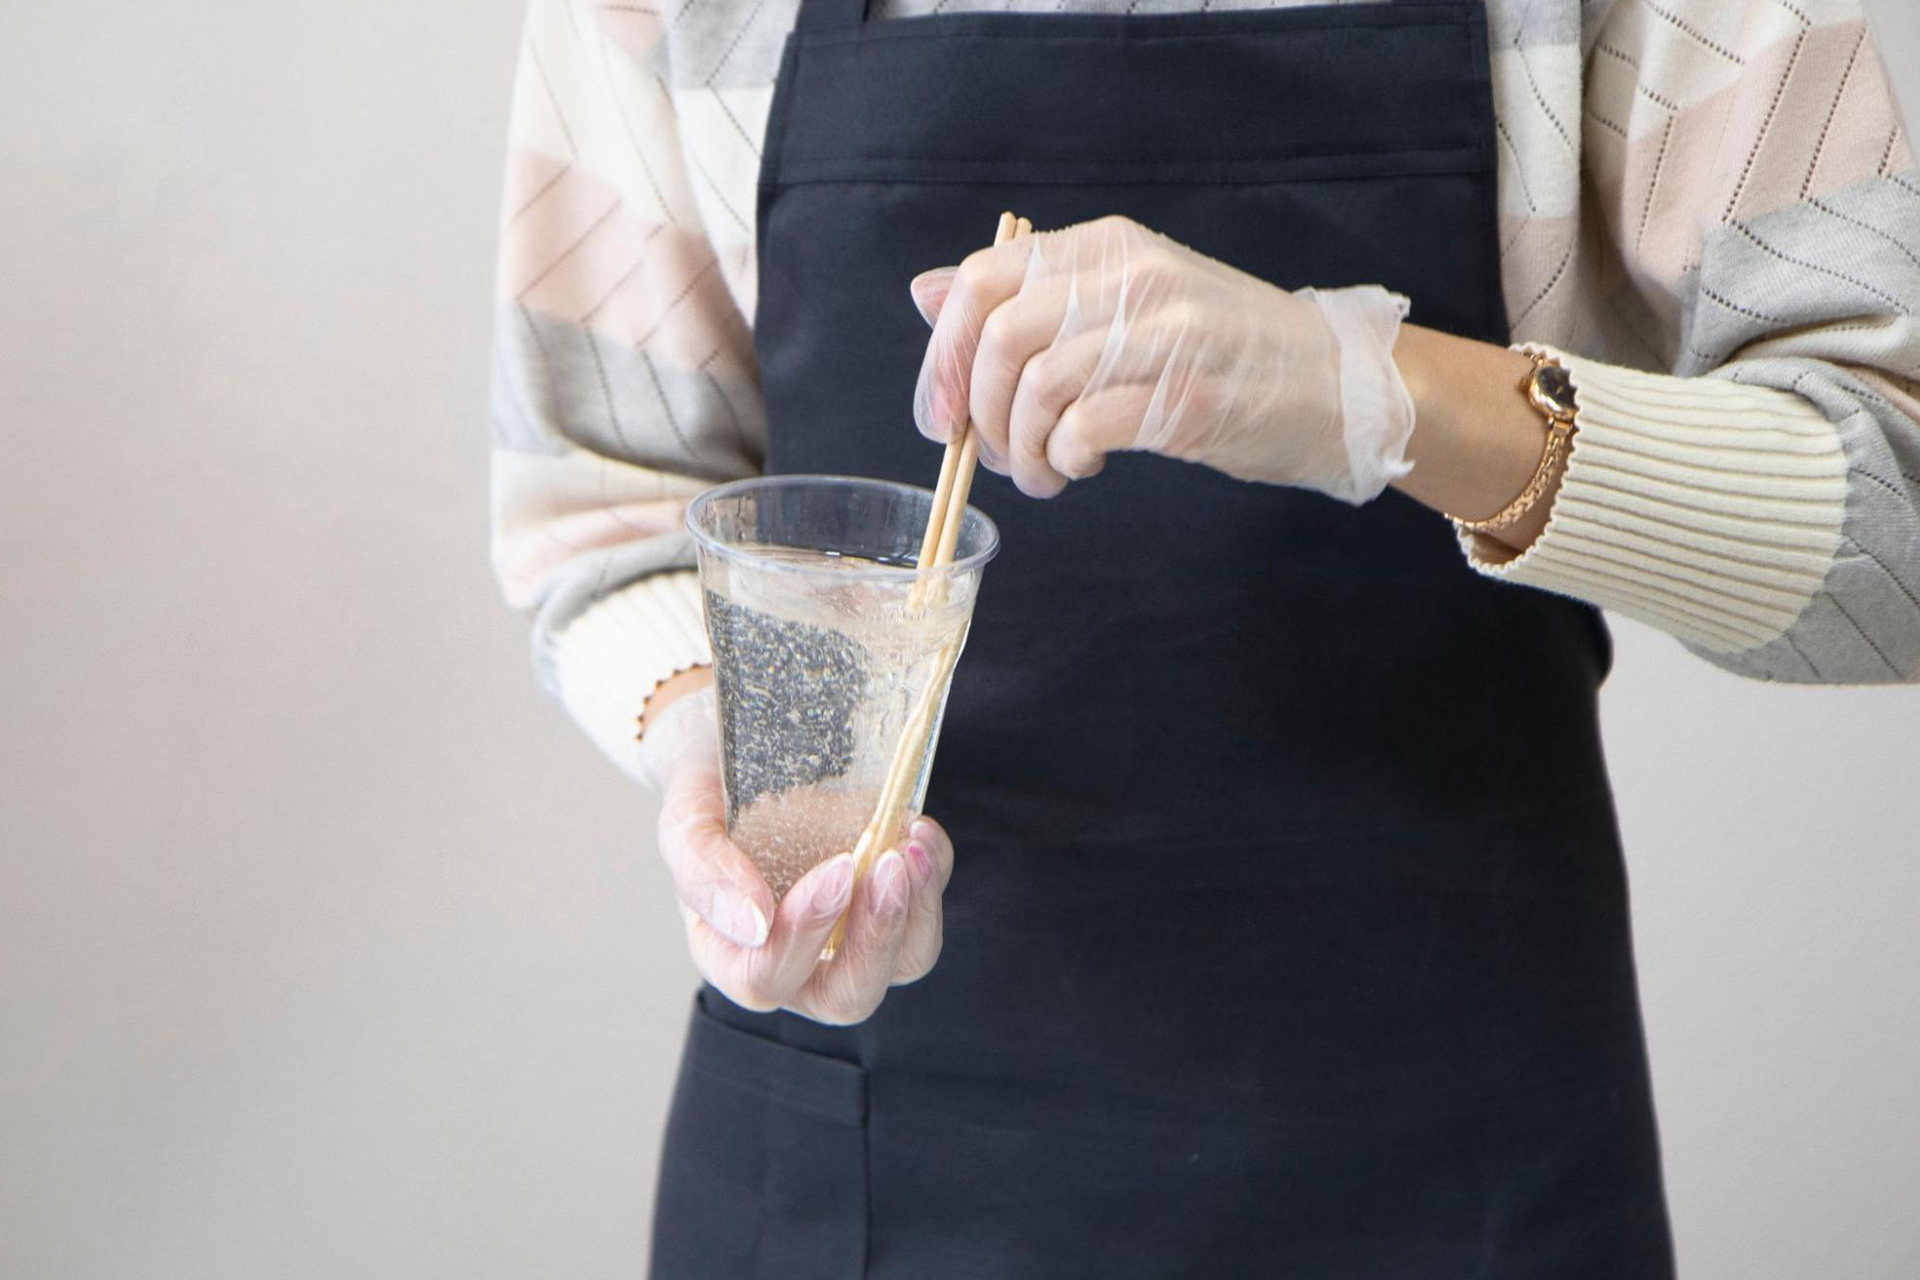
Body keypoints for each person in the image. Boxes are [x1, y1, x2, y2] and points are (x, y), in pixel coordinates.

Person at [488, 0, 1920, 1273]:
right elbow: (610, 499)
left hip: (1455, 1158)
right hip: (857, 1166)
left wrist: (1363, 387)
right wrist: (747, 783)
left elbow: (1897, 517)